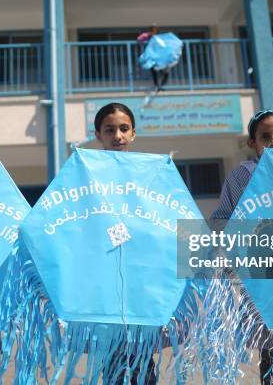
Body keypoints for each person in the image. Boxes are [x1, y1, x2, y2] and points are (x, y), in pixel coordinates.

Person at [211, 109, 273, 385]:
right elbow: (223, 217)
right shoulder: (241, 175)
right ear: (252, 143)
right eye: (264, 136)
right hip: (263, 275)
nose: (272, 141)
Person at [93, 102, 157, 384]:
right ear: (98, 135)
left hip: (140, 275)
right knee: (114, 358)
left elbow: (165, 216)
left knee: (144, 359)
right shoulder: (86, 172)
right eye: (110, 130)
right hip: (105, 276)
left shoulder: (151, 173)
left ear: (133, 133)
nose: (117, 135)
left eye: (123, 128)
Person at [137, 25, 169, 91]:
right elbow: (139, 39)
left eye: (156, 29)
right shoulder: (148, 35)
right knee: (154, 71)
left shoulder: (160, 36)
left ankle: (160, 86)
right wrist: (148, 34)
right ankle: (157, 86)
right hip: (152, 56)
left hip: (160, 56)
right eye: (153, 29)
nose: (155, 30)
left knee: (165, 71)